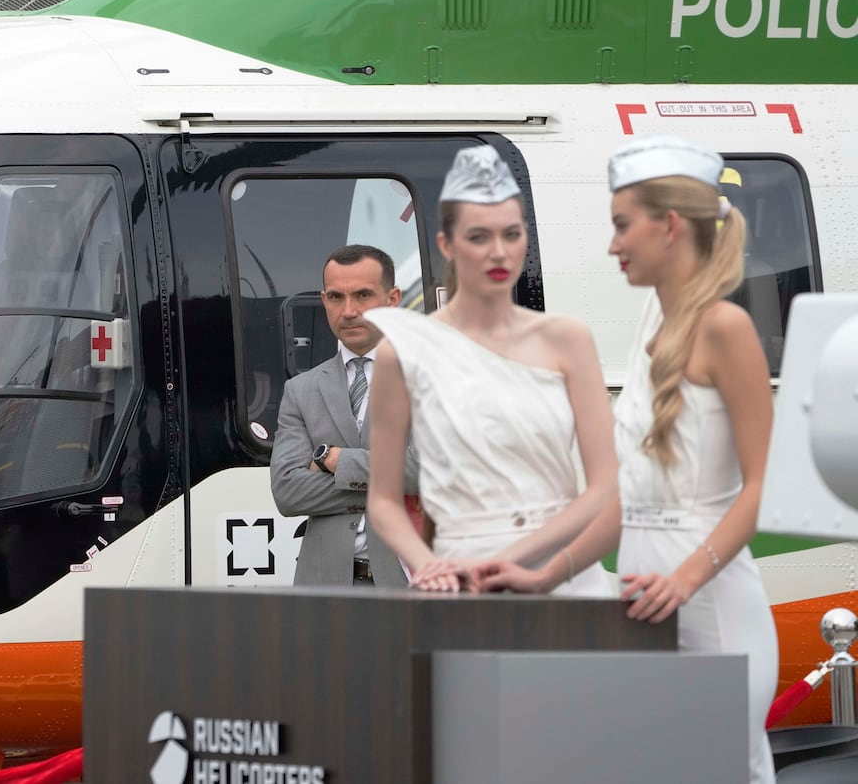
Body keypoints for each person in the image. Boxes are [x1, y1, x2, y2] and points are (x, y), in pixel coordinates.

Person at [477, 134, 777, 783]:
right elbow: (629, 501)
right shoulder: (650, 323)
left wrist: (686, 580)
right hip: (645, 609)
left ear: (670, 226)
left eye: (622, 225)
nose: (612, 244)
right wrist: (546, 572)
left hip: (712, 611)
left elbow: (760, 488)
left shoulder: (726, 328)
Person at [364, 145, 618, 595]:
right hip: (459, 577)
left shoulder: (567, 339)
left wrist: (507, 561)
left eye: (512, 234)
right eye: (479, 237)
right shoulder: (402, 352)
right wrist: (430, 566)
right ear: (446, 244)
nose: (499, 252)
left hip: (560, 574)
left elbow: (603, 487)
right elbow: (383, 501)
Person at [270, 244, 417, 587]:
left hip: (410, 586)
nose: (348, 311)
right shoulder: (301, 390)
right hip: (325, 591)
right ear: (324, 301)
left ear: (393, 299)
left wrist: (336, 461)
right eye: (336, 297)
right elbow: (288, 492)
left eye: (363, 295)